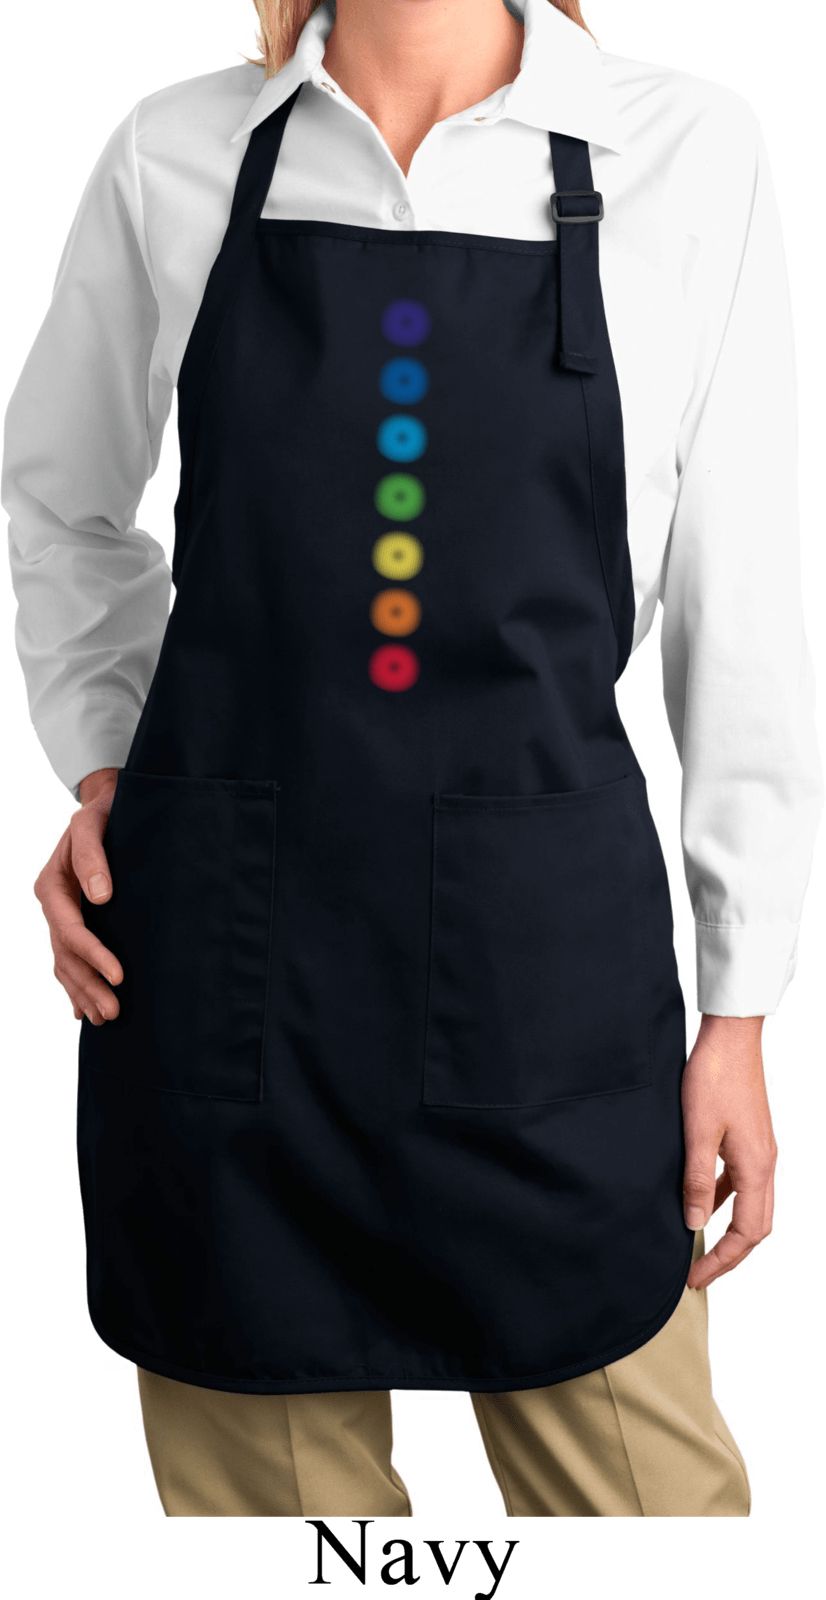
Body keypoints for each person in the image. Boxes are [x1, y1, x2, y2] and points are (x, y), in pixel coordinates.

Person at [3, 0, 820, 1518]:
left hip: (547, 992)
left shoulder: (682, 150)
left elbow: (745, 599)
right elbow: (57, 498)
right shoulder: (177, 151)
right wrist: (113, 768)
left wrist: (742, 1006)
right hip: (226, 991)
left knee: (654, 1525)